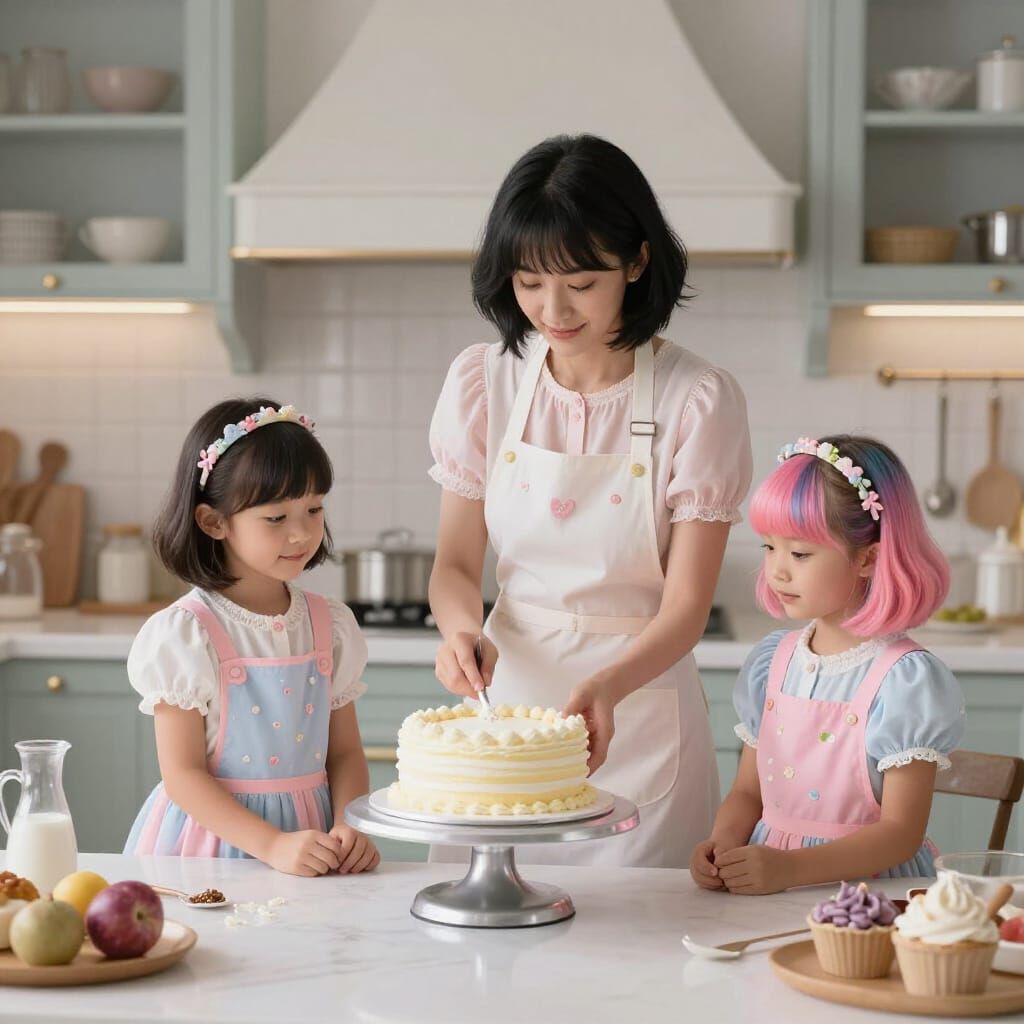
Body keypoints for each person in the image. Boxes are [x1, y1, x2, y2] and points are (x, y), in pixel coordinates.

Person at [427, 134, 753, 866]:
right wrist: (458, 631)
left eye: (580, 282)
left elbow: (687, 608)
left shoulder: (697, 399)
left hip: (638, 717)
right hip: (507, 722)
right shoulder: (485, 383)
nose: (553, 308)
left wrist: (608, 685)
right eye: (529, 282)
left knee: (636, 962)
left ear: (637, 261)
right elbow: (454, 564)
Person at [691, 435, 965, 894]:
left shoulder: (904, 680)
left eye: (799, 553)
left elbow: (901, 833)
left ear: (868, 558)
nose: (778, 570)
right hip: (767, 886)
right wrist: (722, 844)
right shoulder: (773, 663)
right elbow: (747, 793)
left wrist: (788, 869)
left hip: (869, 895)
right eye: (769, 548)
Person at [124, 398, 379, 876]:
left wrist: (350, 823)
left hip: (311, 841)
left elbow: (345, 753)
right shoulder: (188, 634)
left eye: (314, 508)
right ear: (214, 522)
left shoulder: (330, 626)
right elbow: (182, 775)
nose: (302, 533)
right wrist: (272, 845)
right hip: (211, 848)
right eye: (276, 518)